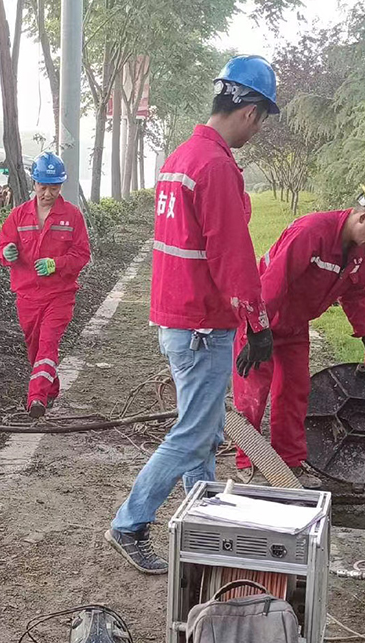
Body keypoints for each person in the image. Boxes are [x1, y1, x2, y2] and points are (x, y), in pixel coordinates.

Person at [105, 55, 279, 575]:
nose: (258, 128)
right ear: (248, 111)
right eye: (262, 118)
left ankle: (200, 523)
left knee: (202, 431)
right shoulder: (216, 165)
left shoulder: (181, 156)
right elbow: (232, 254)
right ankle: (130, 523)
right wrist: (258, 324)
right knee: (192, 432)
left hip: (178, 319)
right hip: (202, 323)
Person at [233, 177, 365, 487]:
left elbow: (356, 294)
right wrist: (257, 331)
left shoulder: (357, 253)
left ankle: (289, 461)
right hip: (264, 317)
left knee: (294, 392)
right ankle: (247, 461)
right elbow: (274, 282)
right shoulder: (312, 232)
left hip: (295, 325)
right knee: (253, 393)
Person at [0, 152, 90, 418]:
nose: (48, 193)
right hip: (26, 297)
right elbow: (1, 245)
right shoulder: (18, 216)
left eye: (54, 187)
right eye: (43, 186)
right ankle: (51, 388)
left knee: (48, 344)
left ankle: (36, 398)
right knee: (36, 350)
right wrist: (7, 253)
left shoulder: (72, 217)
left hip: (60, 296)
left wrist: (56, 264)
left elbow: (82, 255)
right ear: (34, 183)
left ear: (61, 186)